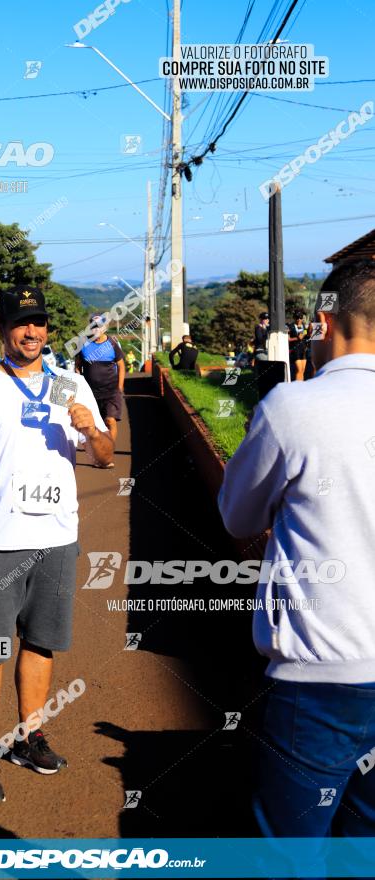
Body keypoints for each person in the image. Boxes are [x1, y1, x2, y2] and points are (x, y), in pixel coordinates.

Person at [0, 285, 113, 807]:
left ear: (47, 330)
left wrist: (91, 428)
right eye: (20, 323)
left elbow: (104, 456)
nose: (31, 331)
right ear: (2, 330)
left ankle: (29, 736)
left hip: (58, 538)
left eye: (37, 322)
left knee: (41, 643)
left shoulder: (69, 385)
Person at [218, 258, 375, 840]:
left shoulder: (293, 407)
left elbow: (237, 514)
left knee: (292, 846)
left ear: (327, 322)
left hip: (320, 672)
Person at [75, 312, 125, 454]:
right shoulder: (83, 343)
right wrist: (80, 383)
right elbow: (78, 366)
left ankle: (108, 451)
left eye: (99, 326)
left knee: (110, 421)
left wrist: (120, 387)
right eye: (94, 326)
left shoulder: (112, 344)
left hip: (111, 391)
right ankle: (97, 448)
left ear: (105, 328)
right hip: (91, 392)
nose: (97, 329)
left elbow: (121, 365)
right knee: (94, 424)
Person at [288, 312, 308, 381]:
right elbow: (288, 339)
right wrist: (297, 338)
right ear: (294, 318)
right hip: (295, 349)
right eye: (297, 318)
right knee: (299, 370)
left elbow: (305, 333)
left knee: (302, 370)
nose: (299, 319)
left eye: (300, 318)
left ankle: (301, 386)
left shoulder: (304, 326)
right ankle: (297, 386)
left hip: (303, 349)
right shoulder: (290, 326)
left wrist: (304, 335)